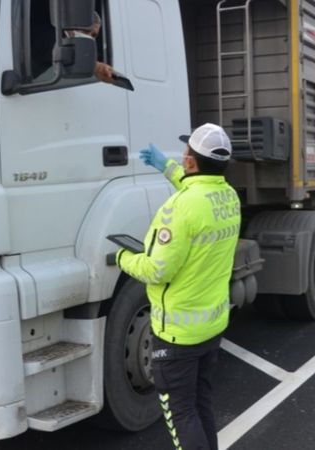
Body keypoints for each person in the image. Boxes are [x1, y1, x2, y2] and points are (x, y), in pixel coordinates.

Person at [116, 123, 240, 450]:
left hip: (177, 335)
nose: (183, 154)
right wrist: (167, 168)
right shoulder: (228, 197)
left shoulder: (178, 208)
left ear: (190, 161)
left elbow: (156, 269)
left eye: (186, 151)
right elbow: (198, 192)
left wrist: (123, 258)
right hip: (211, 326)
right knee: (200, 404)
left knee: (182, 413)